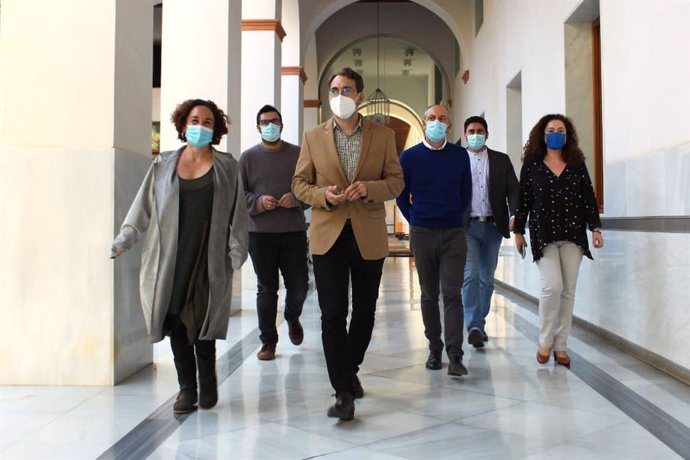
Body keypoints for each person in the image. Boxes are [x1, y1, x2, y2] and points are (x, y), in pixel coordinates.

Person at [111, 99, 248, 414]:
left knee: (201, 323)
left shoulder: (228, 167)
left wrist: (237, 252)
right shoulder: (163, 164)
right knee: (174, 323)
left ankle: (207, 380)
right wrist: (125, 239)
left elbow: (238, 213)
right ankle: (187, 389)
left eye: (208, 122)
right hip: (170, 260)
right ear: (183, 124)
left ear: (215, 130)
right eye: (195, 119)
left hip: (208, 259)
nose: (200, 126)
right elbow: (142, 207)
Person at [292, 68, 404, 421]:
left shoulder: (382, 136)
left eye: (348, 89)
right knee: (332, 312)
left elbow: (396, 182)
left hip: (368, 233)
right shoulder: (313, 137)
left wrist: (370, 189)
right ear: (328, 95)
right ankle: (342, 390)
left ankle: (349, 366)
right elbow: (298, 183)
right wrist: (322, 195)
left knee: (366, 311)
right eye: (334, 89)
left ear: (359, 96)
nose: (340, 95)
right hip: (329, 234)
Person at [513, 113, 603, 368]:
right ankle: (545, 341)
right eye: (551, 129)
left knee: (568, 291)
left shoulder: (576, 163)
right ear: (542, 135)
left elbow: (588, 196)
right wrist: (518, 232)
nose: (556, 133)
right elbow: (524, 201)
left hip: (573, 234)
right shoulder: (531, 165)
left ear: (567, 135)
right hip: (544, 235)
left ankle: (561, 345)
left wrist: (595, 228)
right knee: (551, 287)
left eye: (560, 130)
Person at [396, 104, 472, 377]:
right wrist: (415, 218)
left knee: (452, 294)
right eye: (431, 118)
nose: (436, 123)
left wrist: (454, 218)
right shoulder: (409, 157)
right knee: (429, 294)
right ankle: (434, 348)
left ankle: (455, 354)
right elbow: (401, 197)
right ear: (423, 123)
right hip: (423, 233)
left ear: (449, 125)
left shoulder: (460, 156)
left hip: (453, 233)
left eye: (442, 119)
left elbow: (466, 193)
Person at [239, 104, 309, 361]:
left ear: (282, 124)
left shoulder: (298, 154)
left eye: (275, 121)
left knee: (299, 284)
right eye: (265, 122)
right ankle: (268, 341)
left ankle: (292, 316)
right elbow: (239, 194)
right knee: (266, 288)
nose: (270, 126)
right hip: (260, 234)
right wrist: (258, 202)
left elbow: (310, 188)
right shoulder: (247, 158)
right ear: (258, 127)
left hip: (293, 231)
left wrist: (297, 198)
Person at [459, 116, 520, 349]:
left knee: (487, 279)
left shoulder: (500, 160)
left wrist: (514, 214)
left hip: (494, 227)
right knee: (471, 275)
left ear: (487, 133)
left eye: (480, 130)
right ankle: (473, 326)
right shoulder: (458, 160)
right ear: (465, 135)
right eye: (471, 130)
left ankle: (479, 323)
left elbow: (513, 189)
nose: (476, 134)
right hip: (467, 227)